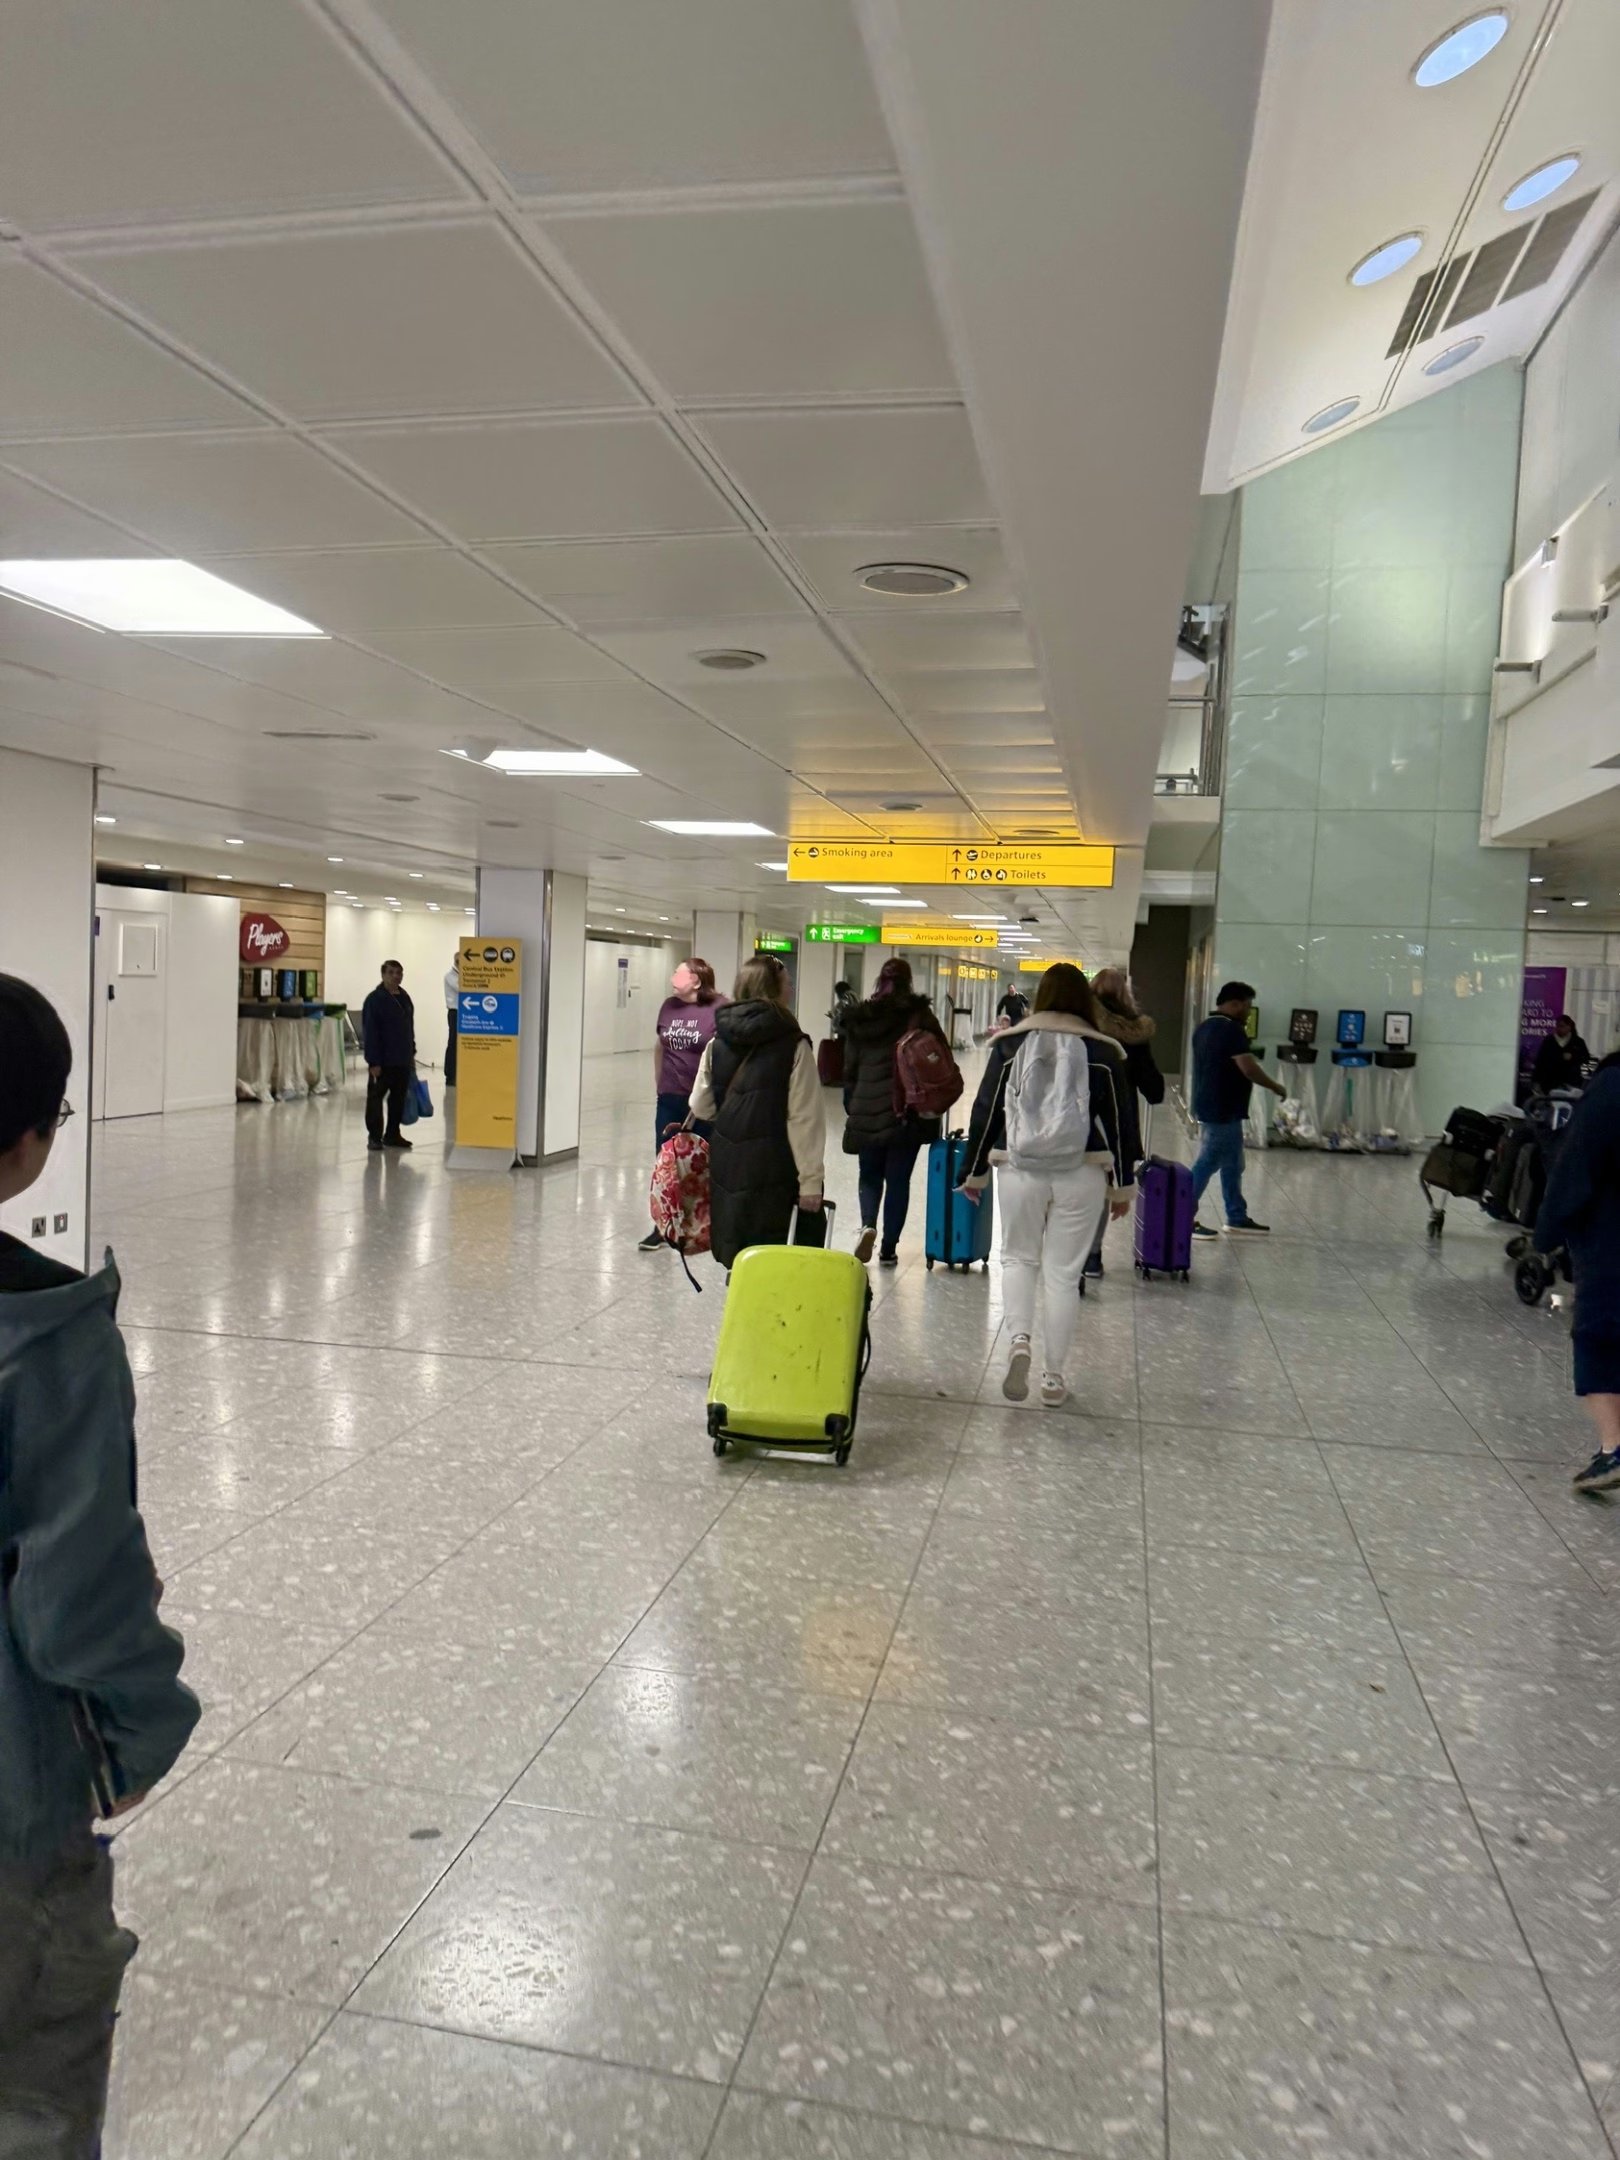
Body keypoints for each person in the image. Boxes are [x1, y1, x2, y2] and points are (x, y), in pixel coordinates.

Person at [0, 973, 199, 2157]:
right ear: (24, 1137)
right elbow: (77, 1597)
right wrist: (133, 1736)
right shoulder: (43, 1338)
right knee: (33, 2078)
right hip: (12, 1792)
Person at [960, 963, 1139, 1408]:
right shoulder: (1103, 1050)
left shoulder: (1010, 1044)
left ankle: (1019, 1339)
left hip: (1019, 1165)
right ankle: (1054, 1379)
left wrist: (974, 1171)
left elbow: (986, 1111)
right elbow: (1121, 1122)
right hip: (1082, 1169)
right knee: (1063, 1275)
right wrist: (1123, 1185)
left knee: (1018, 1258)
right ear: (1084, 1000)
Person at [689, 953, 825, 1271]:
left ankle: (743, 1308)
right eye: (787, 984)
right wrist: (810, 1183)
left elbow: (700, 1105)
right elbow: (805, 1120)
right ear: (772, 990)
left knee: (740, 1249)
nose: (790, 990)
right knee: (778, 1257)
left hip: (728, 1163)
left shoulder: (717, 1042)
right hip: (775, 1168)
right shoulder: (794, 1045)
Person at [1534, 1049, 1620, 1493]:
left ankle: (1613, 1450)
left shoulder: (1612, 1086)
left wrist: (1544, 1233)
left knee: (1599, 1339)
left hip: (1612, 1243)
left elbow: (1575, 1165)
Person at [842, 956, 951, 1266]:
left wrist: (853, 1105)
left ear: (879, 981)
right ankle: (889, 1248)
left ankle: (867, 1225)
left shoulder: (860, 1018)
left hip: (867, 1107)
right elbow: (940, 1058)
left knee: (870, 1175)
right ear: (908, 982)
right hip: (908, 1112)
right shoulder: (919, 1017)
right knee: (898, 1180)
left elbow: (848, 1070)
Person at [639, 958, 727, 1252]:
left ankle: (709, 1226)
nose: (673, 976)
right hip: (670, 1098)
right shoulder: (668, 1007)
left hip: (704, 1101)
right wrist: (658, 1082)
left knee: (706, 1163)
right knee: (666, 1162)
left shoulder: (719, 1008)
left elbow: (725, 1053)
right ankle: (663, 1227)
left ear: (697, 980)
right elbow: (659, 1045)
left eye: (679, 972)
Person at [1083, 967, 1166, 1280]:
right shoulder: (1134, 1033)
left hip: (1072, 1115)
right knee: (1104, 1186)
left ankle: (1063, 1251)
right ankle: (1091, 1256)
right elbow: (1153, 1088)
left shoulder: (1079, 1024)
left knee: (1069, 1183)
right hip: (1116, 1117)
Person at [1189, 980, 1285, 1238]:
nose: (1248, 1011)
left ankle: (1236, 1216)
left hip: (1210, 1104)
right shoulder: (1232, 1031)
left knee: (1233, 1163)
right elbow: (1248, 1067)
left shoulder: (1204, 1027)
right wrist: (1275, 1086)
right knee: (1208, 1161)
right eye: (1246, 1005)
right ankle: (1181, 1215)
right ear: (1235, 1004)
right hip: (1223, 1108)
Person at [361, 959, 416, 1152]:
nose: (395, 976)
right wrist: (373, 1061)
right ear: (383, 974)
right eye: (391, 972)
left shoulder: (404, 997)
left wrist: (412, 1051)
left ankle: (392, 1134)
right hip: (383, 1060)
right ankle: (374, 1137)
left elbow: (409, 1026)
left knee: (398, 1099)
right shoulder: (375, 999)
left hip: (402, 1058)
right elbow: (371, 1032)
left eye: (399, 973)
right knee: (376, 1099)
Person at [1532, 1014, 1590, 1096]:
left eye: (1562, 1026)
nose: (1559, 1029)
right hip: (1550, 1081)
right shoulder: (1549, 1041)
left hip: (1571, 1081)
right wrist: (1536, 1080)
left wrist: (1573, 1057)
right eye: (1557, 1026)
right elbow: (1540, 1061)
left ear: (1569, 1027)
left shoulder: (1578, 1042)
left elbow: (1586, 1059)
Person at [442, 951, 460, 1090]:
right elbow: (463, 988)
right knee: (453, 1042)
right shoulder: (450, 977)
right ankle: (450, 1075)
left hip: (464, 1013)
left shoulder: (459, 975)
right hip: (455, 1012)